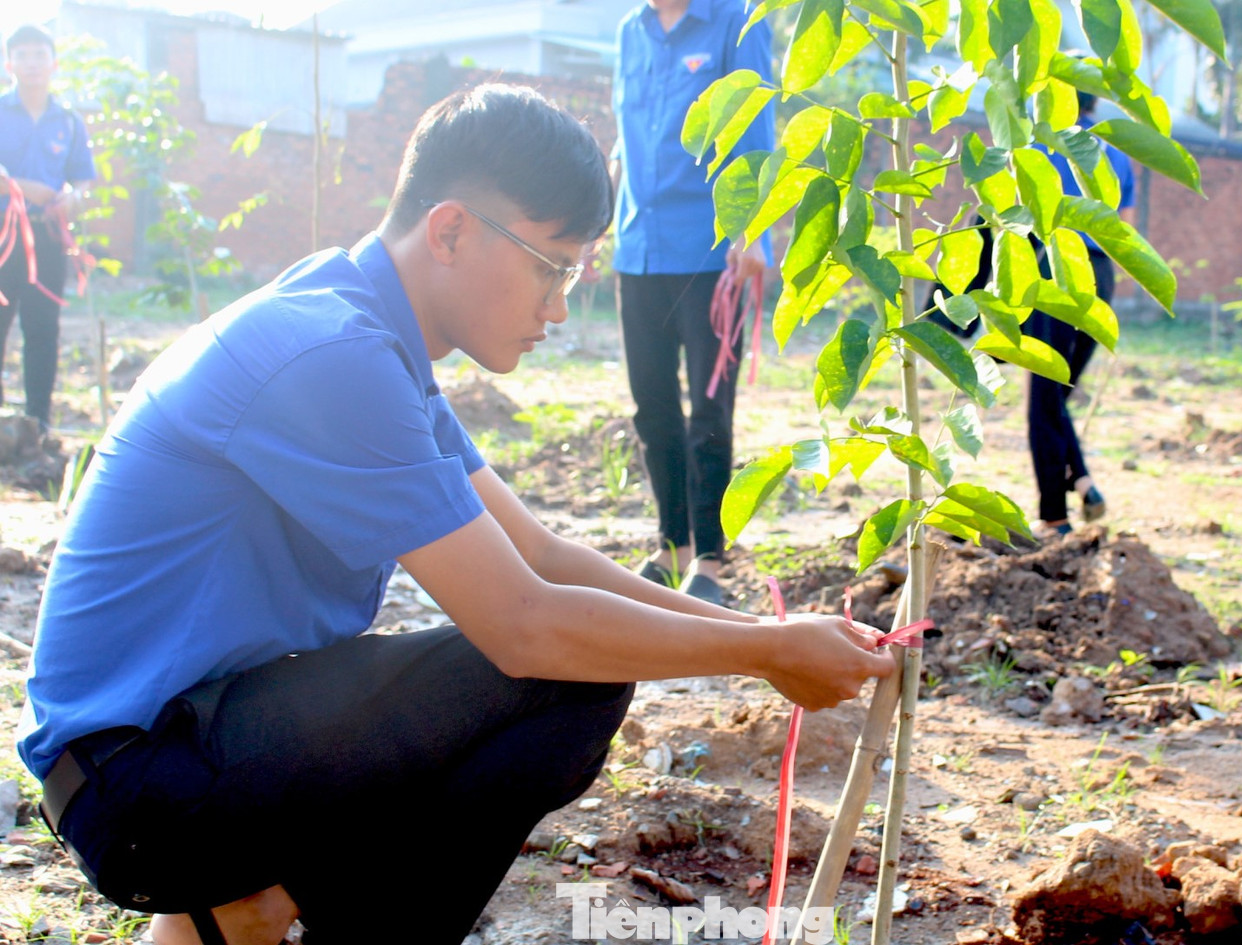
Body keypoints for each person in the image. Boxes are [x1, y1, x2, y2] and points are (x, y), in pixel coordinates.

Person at [17, 84, 893, 945]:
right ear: (450, 229)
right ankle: (276, 905)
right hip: (138, 782)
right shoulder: (332, 352)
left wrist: (761, 635)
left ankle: (241, 908)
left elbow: (543, 554)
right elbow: (524, 625)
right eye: (552, 266)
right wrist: (764, 651)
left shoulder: (364, 330)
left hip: (176, 744)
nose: (559, 306)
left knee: (571, 661)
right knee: (565, 672)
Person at [610, 0, 774, 606]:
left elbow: (758, 130)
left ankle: (709, 559)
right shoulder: (631, 30)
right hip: (640, 249)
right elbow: (625, 137)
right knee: (651, 406)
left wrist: (752, 229)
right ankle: (670, 544)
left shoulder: (738, 21)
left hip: (712, 253)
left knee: (709, 415)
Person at [1024, 89, 1135, 536]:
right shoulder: (1118, 154)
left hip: (1054, 265)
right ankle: (1082, 480)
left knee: (1045, 399)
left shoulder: (1037, 145)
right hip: (1101, 275)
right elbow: (1122, 228)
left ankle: (1055, 516)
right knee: (1056, 395)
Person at [0, 24, 96, 432]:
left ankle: (37, 425)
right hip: (3, 236)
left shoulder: (70, 122)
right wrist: (20, 187)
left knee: (42, 331)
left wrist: (75, 197)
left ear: (54, 63)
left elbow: (84, 179)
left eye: (39, 54)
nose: (32, 63)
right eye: (23, 55)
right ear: (9, 64)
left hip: (50, 238)